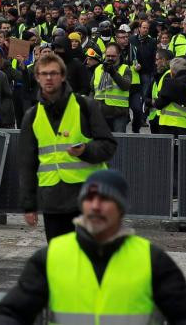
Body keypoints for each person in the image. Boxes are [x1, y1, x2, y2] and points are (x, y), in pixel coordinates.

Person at [0, 169, 186, 325]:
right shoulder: (52, 257)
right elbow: (12, 313)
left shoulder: (151, 259)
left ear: (122, 208)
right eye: (89, 198)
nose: (96, 206)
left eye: (105, 199)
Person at [17, 51, 116, 241]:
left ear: (63, 76)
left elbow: (108, 145)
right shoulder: (31, 116)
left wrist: (86, 151)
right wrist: (28, 205)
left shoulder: (85, 106)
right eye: (44, 73)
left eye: (53, 73)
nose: (49, 78)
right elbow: (26, 163)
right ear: (37, 77)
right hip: (52, 200)